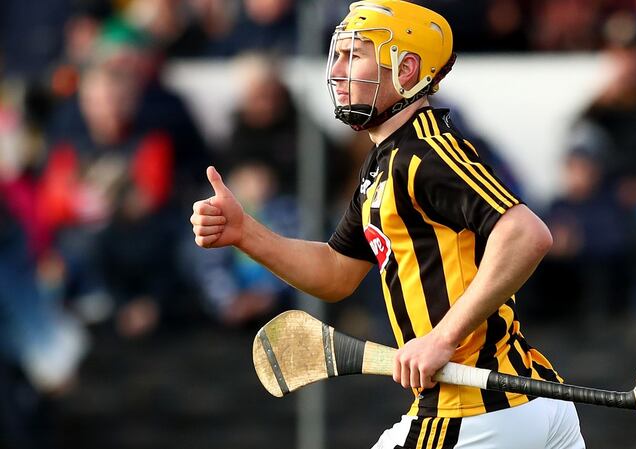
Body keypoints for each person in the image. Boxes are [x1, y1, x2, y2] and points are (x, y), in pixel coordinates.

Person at [190, 1, 585, 447]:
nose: (337, 70)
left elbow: (527, 234)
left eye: (354, 55)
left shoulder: (426, 153)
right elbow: (337, 273)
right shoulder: (384, 164)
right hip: (522, 402)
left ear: (408, 69)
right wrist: (246, 234)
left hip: (472, 409)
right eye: (337, 55)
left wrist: (442, 338)